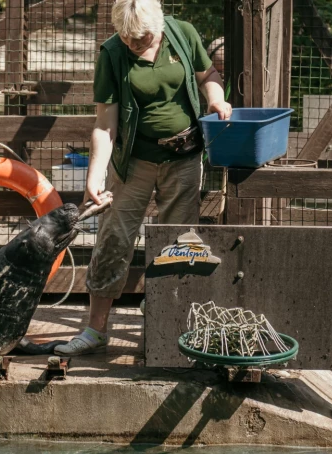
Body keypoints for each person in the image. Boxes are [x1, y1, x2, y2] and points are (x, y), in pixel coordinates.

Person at [55, 0, 231, 356]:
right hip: (134, 160)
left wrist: (216, 100)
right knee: (114, 237)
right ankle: (95, 330)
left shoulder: (183, 34)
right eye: (127, 37)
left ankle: (166, 325)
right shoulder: (112, 53)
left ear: (160, 24)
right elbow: (105, 124)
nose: (134, 44)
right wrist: (95, 174)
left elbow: (208, 75)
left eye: (142, 38)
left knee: (178, 241)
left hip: (183, 156)